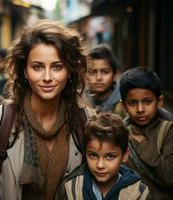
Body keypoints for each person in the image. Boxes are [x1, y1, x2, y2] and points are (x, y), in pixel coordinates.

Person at [0, 19, 97, 200]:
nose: (47, 77)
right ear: (25, 71)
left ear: (69, 70)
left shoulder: (86, 121)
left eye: (57, 67)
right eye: (37, 67)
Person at [55, 112, 151, 200]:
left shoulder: (139, 194)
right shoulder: (71, 189)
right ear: (85, 153)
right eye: (93, 155)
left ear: (125, 155)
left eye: (110, 156)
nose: (100, 165)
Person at [120, 66, 173, 199]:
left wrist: (143, 144)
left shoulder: (168, 131)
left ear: (159, 102)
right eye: (133, 103)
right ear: (123, 106)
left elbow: (169, 176)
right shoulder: (119, 133)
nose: (140, 109)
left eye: (147, 101)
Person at [84, 44, 126, 117]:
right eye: (93, 72)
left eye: (105, 72)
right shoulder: (80, 103)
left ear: (115, 74)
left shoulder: (125, 103)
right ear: (85, 75)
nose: (99, 77)